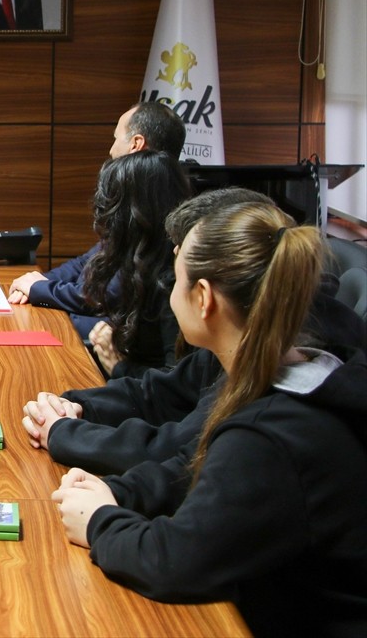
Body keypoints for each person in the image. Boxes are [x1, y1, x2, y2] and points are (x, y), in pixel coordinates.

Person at [51, 200, 367, 635]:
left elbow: (175, 560)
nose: (169, 293)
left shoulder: (271, 432)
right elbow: (197, 468)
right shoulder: (291, 370)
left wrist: (100, 520)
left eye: (177, 282)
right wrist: (117, 490)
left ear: (203, 298)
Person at [20, 187, 366, 475]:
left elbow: (180, 451)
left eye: (182, 257)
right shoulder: (248, 326)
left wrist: (66, 432)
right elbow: (162, 393)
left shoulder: (280, 354)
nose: (173, 271)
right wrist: (74, 405)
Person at [9, 101, 186, 371]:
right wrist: (40, 282)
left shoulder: (167, 258)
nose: (110, 149)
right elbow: (91, 262)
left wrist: (39, 289)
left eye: (115, 138)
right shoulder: (142, 214)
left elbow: (177, 383)